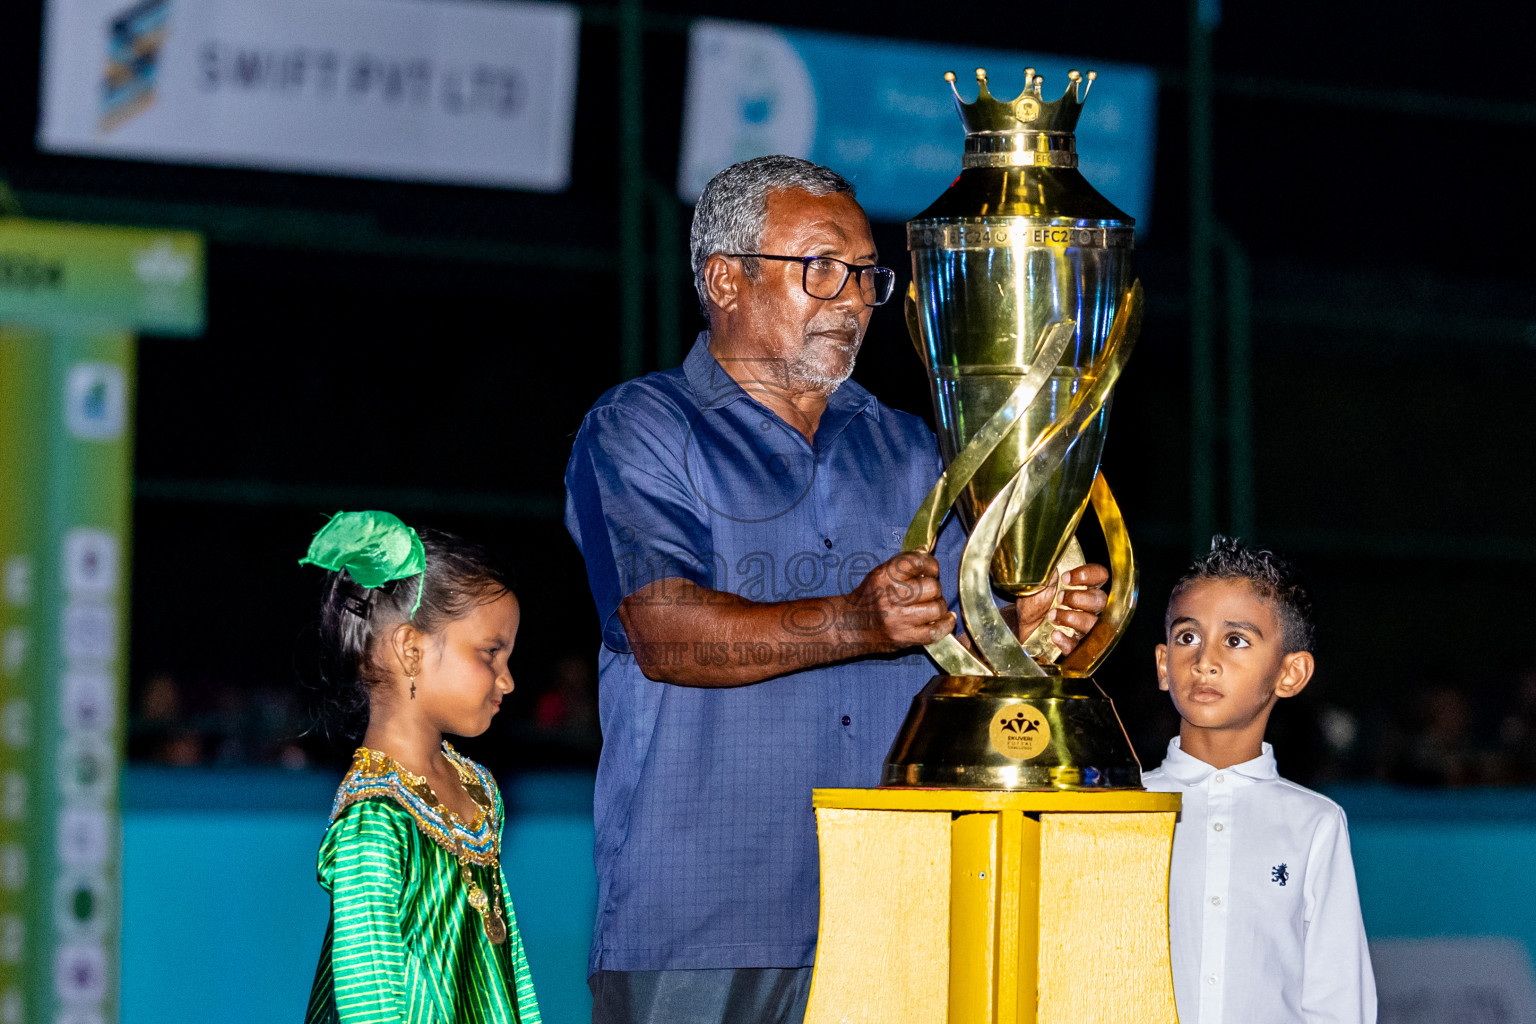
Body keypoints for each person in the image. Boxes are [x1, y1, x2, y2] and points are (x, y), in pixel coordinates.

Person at [564, 155, 1108, 1024]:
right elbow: (664, 634)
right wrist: (857, 621)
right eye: (822, 268)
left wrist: (1033, 623)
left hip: (897, 919)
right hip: (704, 933)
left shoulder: (917, 448)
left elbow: (972, 640)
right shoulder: (640, 429)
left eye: (867, 275)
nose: (854, 299)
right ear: (725, 279)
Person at [299, 510, 541, 1024]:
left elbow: (505, 962)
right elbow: (368, 990)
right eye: (490, 654)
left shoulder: (478, 789)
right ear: (410, 649)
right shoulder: (374, 820)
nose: (507, 680)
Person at [1143, 536, 1376, 1024]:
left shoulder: (1315, 823)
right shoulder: (1121, 807)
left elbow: (1337, 999)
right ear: (1164, 665)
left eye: (1235, 640)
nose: (1204, 659)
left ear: (1290, 674)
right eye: (1188, 637)